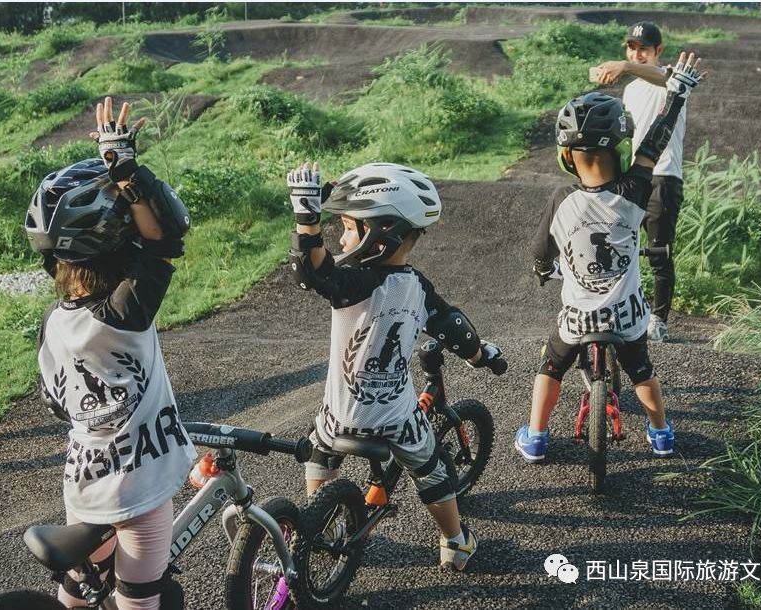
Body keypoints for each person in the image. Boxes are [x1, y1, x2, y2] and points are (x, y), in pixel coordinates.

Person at [287, 161, 505, 570]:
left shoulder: (351, 282)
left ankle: (319, 525)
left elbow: (312, 270)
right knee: (433, 468)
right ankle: (455, 541)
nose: (341, 236)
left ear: (379, 236)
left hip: (339, 418)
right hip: (394, 420)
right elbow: (454, 328)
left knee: (320, 451)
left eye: (348, 228)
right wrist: (482, 356)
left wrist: (306, 221)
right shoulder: (417, 288)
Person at [26, 97, 193, 610]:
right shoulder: (124, 316)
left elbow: (57, 403)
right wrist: (125, 168)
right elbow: (164, 241)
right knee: (139, 599)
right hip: (136, 490)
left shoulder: (53, 325)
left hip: (84, 484)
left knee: (78, 592)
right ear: (116, 247)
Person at [514, 53, 703, 463]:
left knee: (550, 368)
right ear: (618, 149)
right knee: (643, 373)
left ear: (567, 157)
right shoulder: (634, 190)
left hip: (578, 318)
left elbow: (540, 250)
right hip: (627, 316)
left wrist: (545, 268)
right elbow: (655, 140)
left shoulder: (561, 199)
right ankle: (660, 434)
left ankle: (536, 437)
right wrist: (678, 93)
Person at [592, 21, 692, 342]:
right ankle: (627, 309)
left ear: (658, 51)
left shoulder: (673, 79)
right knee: (621, 247)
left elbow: (666, 79)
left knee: (659, 251)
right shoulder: (630, 90)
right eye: (631, 49)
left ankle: (659, 319)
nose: (636, 54)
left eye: (643, 49)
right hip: (634, 176)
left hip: (664, 175)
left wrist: (624, 67)